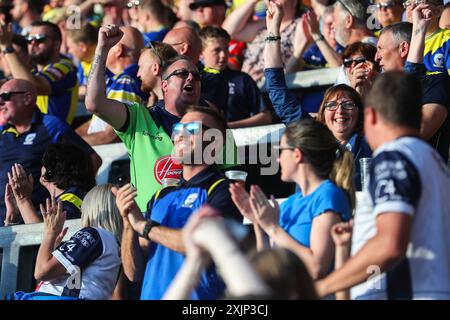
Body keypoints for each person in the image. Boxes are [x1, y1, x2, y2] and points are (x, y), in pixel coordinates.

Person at [315, 68, 450, 300]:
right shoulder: (432, 159)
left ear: (372, 116)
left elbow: (389, 244)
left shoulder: (393, 156)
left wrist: (321, 288)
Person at [86, 25, 236, 212]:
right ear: (164, 85)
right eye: (182, 74)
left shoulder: (213, 124)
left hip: (196, 224)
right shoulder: (139, 117)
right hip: (147, 227)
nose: (191, 78)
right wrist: (102, 49)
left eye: (197, 76)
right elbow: (94, 103)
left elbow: (234, 177)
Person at [114, 106, 242, 300]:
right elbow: (134, 272)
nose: (179, 135)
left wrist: (143, 226)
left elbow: (204, 244)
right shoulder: (160, 195)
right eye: (177, 129)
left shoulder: (225, 189)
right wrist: (128, 223)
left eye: (191, 129)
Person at [263, 1, 371, 191]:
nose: (339, 111)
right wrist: (273, 30)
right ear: (322, 113)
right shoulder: (311, 135)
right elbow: (276, 87)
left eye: (347, 105)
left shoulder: (371, 140)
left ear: (359, 111)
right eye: (331, 106)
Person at [230, 118, 353, 280]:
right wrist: (258, 223)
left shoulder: (328, 195)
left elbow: (316, 268)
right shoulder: (291, 202)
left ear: (297, 155)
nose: (277, 159)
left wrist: (273, 228)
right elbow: (266, 270)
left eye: (280, 151)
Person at [0, 79, 101, 226]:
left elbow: (90, 160)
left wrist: (66, 195)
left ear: (27, 97)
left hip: (41, 219)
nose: (1, 102)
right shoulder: (2, 132)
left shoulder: (52, 126)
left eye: (5, 97)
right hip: (9, 220)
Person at [11, 184, 123, 300]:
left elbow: (41, 272)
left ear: (91, 208)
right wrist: (52, 247)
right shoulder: (117, 247)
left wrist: (50, 233)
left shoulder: (93, 234)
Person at [375, 21, 449, 162]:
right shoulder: (382, 90)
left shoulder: (437, 83)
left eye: (380, 48)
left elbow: (418, 131)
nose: (376, 57)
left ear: (403, 49)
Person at [77, 25, 147, 146]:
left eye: (109, 46)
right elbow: (96, 123)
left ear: (119, 50)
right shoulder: (119, 79)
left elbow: (111, 135)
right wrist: (70, 135)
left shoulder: (126, 82)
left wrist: (70, 143)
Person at [0, 21, 79, 124]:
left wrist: (6, 47)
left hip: (53, 136)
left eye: (39, 39)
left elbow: (30, 87)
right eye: (29, 39)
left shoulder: (65, 68)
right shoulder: (33, 72)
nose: (33, 43)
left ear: (56, 44)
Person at [198, 25, 272, 128]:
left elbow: (266, 117)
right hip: (206, 141)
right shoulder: (196, 80)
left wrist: (228, 126)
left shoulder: (242, 79)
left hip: (240, 141)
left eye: (226, 49)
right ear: (201, 52)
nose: (223, 55)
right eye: (217, 50)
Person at [4, 144, 95, 225]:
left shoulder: (69, 202)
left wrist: (23, 200)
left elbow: (42, 239)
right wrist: (13, 217)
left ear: (50, 171)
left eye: (43, 164)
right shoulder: (71, 198)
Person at [223, 0, 299, 81]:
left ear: (294, 1)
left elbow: (297, 62)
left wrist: (266, 78)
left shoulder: (301, 25)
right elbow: (227, 32)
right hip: (248, 87)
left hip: (275, 87)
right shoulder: (263, 24)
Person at [163, 27, 229, 116]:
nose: (161, 54)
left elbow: (200, 115)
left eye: (166, 48)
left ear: (183, 48)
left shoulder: (212, 78)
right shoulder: (164, 73)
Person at [405, 0, 449, 75]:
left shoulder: (447, 39)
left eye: (419, 3)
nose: (412, 8)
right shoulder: (400, 41)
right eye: (408, 3)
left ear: (438, 11)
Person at [136, 41, 178, 106]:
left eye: (141, 67)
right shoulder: (179, 105)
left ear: (155, 68)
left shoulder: (172, 110)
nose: (138, 74)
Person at [65, 23, 99, 99]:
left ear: (82, 47)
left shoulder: (105, 64)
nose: (69, 51)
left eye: (70, 47)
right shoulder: (83, 63)